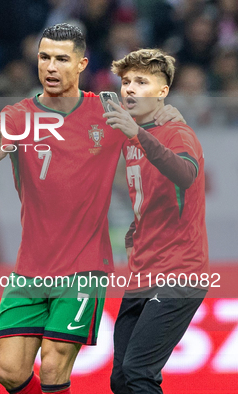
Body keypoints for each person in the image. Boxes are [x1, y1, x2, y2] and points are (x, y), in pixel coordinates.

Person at [0, 24, 184, 394]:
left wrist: (168, 119)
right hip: (30, 268)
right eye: (44, 57)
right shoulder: (18, 115)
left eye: (61, 59)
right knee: (9, 371)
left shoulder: (107, 111)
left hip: (85, 266)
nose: (51, 67)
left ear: (81, 63)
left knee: (54, 365)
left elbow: (157, 124)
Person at [104, 49, 208, 394]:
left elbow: (185, 174)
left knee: (138, 372)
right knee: (121, 379)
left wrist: (139, 133)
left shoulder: (177, 132)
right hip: (142, 272)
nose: (130, 89)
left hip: (179, 273)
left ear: (162, 91)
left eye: (142, 82)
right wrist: (136, 230)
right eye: (126, 81)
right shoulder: (130, 138)